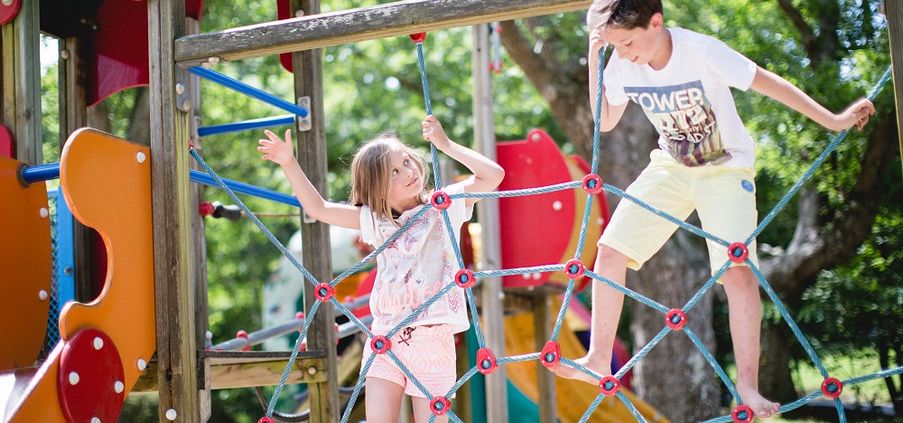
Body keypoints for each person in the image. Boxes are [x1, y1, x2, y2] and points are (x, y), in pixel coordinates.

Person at [550, 0, 876, 418]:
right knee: (610, 252)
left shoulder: (701, 51)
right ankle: (597, 359)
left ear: (656, 22)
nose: (625, 52)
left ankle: (748, 388)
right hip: (671, 166)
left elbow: (768, 82)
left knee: (736, 272)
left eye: (628, 42)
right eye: (616, 46)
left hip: (725, 168)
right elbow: (606, 120)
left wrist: (832, 119)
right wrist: (597, 57)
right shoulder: (621, 60)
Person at [257, 115, 504, 423]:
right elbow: (318, 208)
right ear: (378, 190)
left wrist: (445, 144)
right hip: (385, 338)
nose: (407, 173)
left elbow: (493, 176)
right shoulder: (377, 221)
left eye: (407, 163)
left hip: (432, 337)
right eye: (394, 174)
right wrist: (288, 162)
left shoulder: (444, 205)